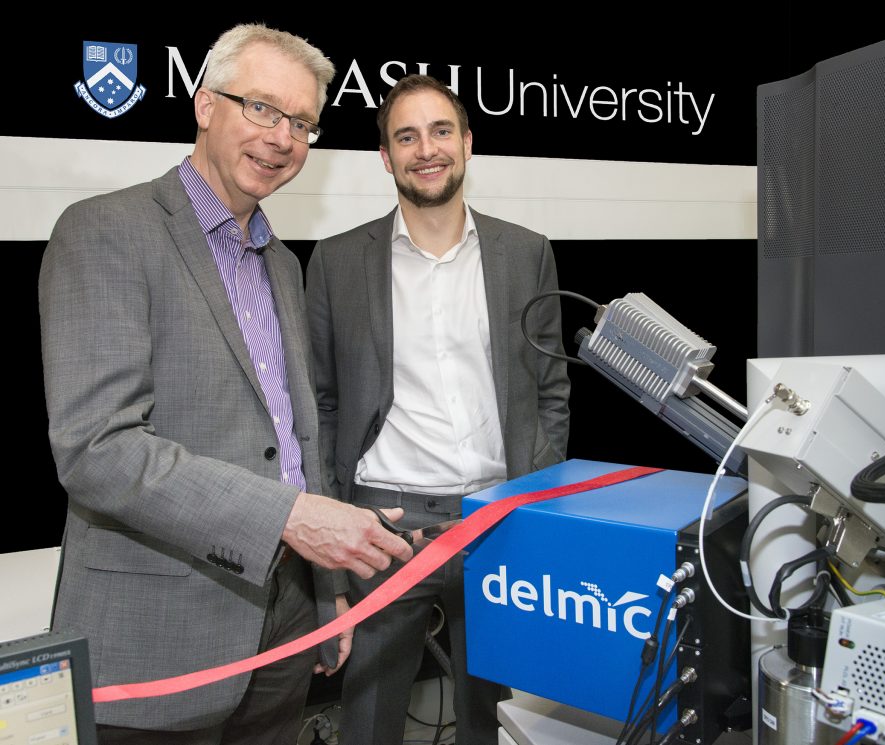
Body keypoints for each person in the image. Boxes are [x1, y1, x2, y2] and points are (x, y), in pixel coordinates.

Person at [38, 23, 413, 744]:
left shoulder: (280, 262)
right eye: (262, 108)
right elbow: (96, 449)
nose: (283, 137)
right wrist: (289, 519)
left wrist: (328, 590)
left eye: (302, 122)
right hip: (158, 646)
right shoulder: (105, 230)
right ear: (205, 104)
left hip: (282, 633)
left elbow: (295, 441)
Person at [306, 74, 571, 745]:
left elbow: (550, 390)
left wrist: (534, 499)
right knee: (368, 721)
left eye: (441, 131)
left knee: (498, 717)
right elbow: (322, 408)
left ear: (468, 143)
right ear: (386, 158)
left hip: (495, 518)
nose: (427, 149)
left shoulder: (525, 252)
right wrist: (331, 562)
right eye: (407, 136)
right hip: (384, 528)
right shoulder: (336, 262)